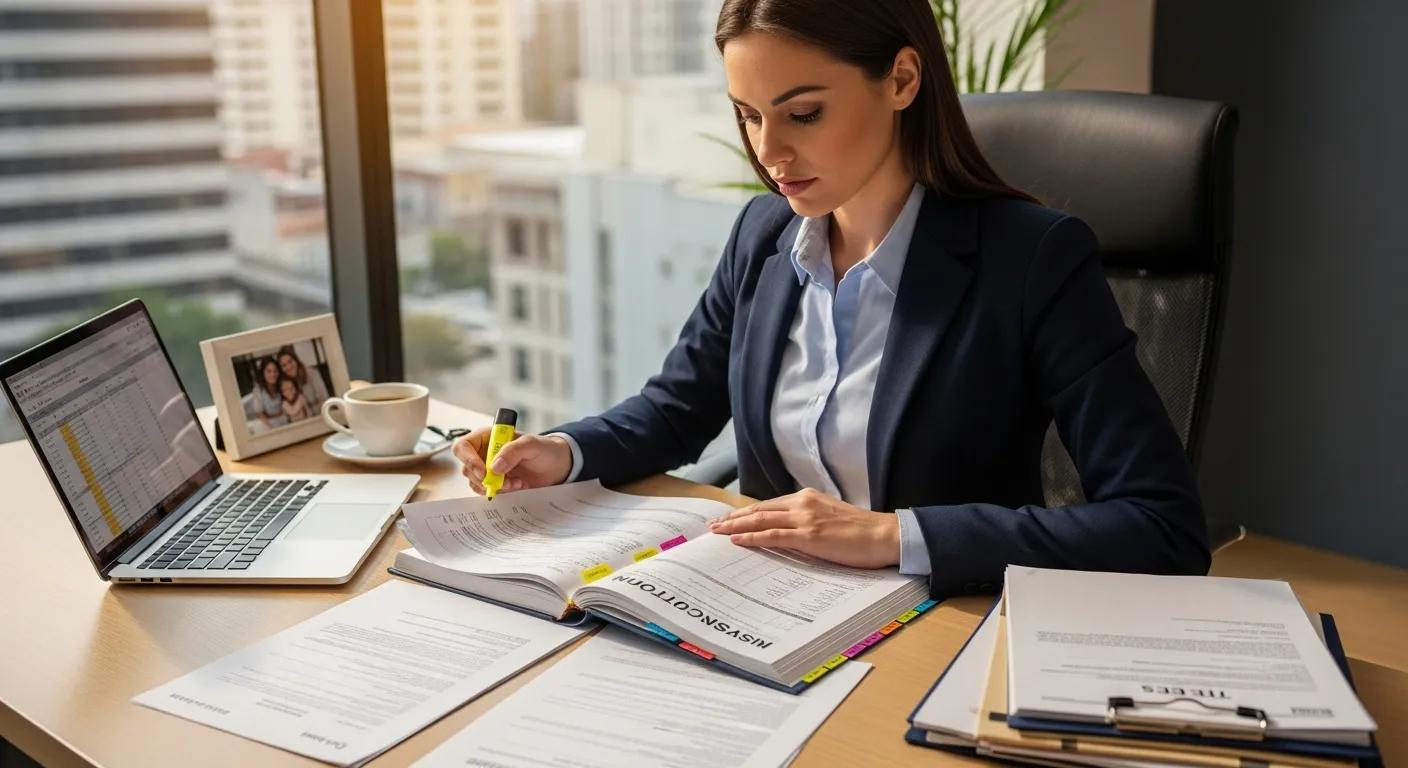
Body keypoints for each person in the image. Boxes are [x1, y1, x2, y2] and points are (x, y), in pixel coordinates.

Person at [453, 0, 1210, 597]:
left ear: (903, 81)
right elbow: (679, 407)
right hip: (764, 607)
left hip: (937, 621)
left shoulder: (1032, 260)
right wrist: (565, 452)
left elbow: (1160, 525)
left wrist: (892, 536)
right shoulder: (765, 234)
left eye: (803, 113)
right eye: (749, 115)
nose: (769, 153)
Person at [277, 345, 329, 413]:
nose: (289, 367)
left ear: (296, 360)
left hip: (320, 412)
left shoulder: (311, 373)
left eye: (290, 361)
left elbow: (324, 399)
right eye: (284, 365)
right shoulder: (286, 382)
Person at [250, 357, 289, 432]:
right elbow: (260, 414)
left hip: (284, 419)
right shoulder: (258, 390)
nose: (273, 374)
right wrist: (273, 430)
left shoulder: (282, 384)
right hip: (268, 423)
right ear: (263, 373)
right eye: (269, 371)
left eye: (275, 371)